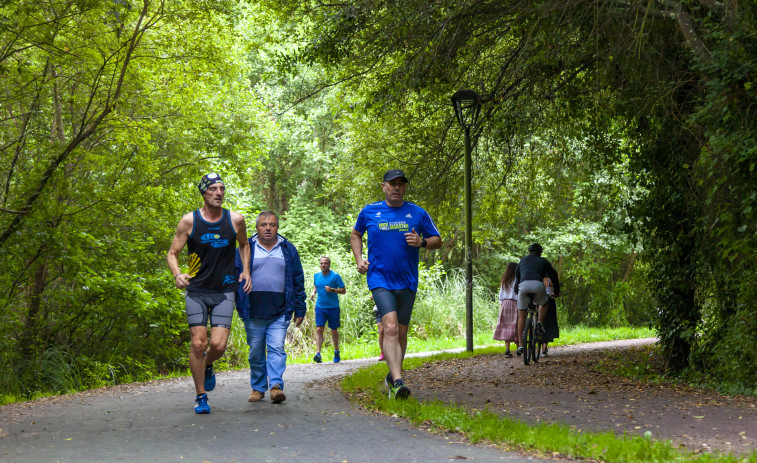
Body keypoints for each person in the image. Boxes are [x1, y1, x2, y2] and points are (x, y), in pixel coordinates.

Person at [350, 169, 441, 399]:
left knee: (401, 331)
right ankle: (399, 382)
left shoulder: (417, 213)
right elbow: (355, 235)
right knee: (389, 327)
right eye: (392, 184)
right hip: (379, 279)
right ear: (384, 187)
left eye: (401, 184)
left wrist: (422, 243)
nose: (397, 188)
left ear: (405, 188)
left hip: (407, 280)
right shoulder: (370, 212)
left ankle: (392, 376)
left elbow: (437, 240)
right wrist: (359, 259)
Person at [166, 173, 252, 414]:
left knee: (218, 345)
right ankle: (201, 396)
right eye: (213, 189)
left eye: (222, 189)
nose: (219, 193)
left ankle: (207, 364)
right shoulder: (189, 221)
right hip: (197, 290)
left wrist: (246, 270)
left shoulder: (235, 220)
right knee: (198, 343)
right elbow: (172, 252)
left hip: (225, 289)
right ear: (204, 193)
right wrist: (177, 274)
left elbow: (244, 244)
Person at [235, 211, 306, 404]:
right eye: (263, 225)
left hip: (280, 310)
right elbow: (235, 277)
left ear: (277, 227)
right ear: (257, 227)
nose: (268, 228)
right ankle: (258, 388)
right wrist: (236, 303)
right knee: (256, 352)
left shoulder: (287, 249)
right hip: (253, 310)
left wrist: (300, 308)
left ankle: (275, 386)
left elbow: (298, 280)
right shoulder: (246, 248)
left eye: (272, 225)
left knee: (276, 349)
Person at [514, 242, 560, 356]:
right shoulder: (543, 261)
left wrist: (517, 291)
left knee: (521, 315)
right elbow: (553, 275)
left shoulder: (522, 261)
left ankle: (520, 344)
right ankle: (539, 323)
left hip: (523, 286)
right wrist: (556, 291)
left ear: (529, 252)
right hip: (537, 286)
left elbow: (517, 278)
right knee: (544, 303)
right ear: (540, 252)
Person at [310, 256, 346, 363]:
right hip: (320, 307)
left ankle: (336, 350)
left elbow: (343, 290)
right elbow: (316, 286)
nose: (323, 265)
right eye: (321, 263)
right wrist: (313, 292)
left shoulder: (335, 276)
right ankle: (318, 353)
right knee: (319, 329)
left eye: (325, 263)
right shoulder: (316, 275)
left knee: (333, 330)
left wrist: (332, 290)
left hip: (333, 307)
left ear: (329, 264)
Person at [493, 262, 519, 357]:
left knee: (506, 326)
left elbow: (500, 295)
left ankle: (507, 350)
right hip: (515, 303)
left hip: (505, 304)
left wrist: (502, 304)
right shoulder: (517, 279)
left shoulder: (504, 280)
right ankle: (518, 348)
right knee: (516, 325)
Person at [541, 276, 559, 356]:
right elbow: (555, 293)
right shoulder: (551, 281)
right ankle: (545, 346)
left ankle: (541, 345)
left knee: (541, 322)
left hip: (540, 301)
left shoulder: (539, 279)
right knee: (548, 324)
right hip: (550, 302)